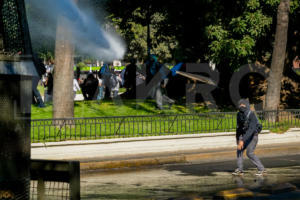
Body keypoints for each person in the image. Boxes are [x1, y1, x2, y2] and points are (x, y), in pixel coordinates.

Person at [232, 99, 266, 176]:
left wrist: (242, 140)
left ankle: (262, 169)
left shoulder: (251, 114)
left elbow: (251, 129)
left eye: (243, 105)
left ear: (247, 105)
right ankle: (240, 170)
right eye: (240, 105)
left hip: (253, 136)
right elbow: (239, 127)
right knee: (239, 150)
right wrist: (238, 139)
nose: (241, 106)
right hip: (244, 135)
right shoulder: (239, 114)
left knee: (249, 153)